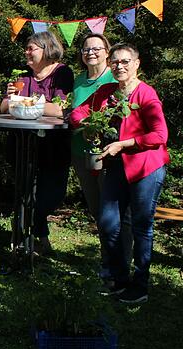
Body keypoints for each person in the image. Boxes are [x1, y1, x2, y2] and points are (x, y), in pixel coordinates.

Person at [70, 43, 169, 304]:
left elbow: (160, 135)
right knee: (108, 222)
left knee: (141, 227)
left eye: (126, 61)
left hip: (146, 167)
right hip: (117, 166)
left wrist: (124, 144)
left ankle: (140, 285)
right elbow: (79, 113)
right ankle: (119, 278)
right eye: (115, 62)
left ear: (137, 64)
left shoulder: (146, 95)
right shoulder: (107, 92)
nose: (120, 66)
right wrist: (89, 125)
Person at [0, 31, 74, 253]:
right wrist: (11, 97)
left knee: (52, 194)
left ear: (47, 49)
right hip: (24, 143)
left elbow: (61, 109)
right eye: (27, 48)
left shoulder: (62, 73)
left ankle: (36, 232)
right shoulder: (21, 75)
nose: (27, 52)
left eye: (31, 48)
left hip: (54, 145)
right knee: (24, 194)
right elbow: (4, 106)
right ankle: (25, 242)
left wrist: (22, 102)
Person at [70, 34, 131, 285]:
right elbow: (73, 112)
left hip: (110, 155)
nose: (90, 52)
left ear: (107, 52)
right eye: (86, 49)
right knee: (97, 210)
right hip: (81, 152)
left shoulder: (116, 77)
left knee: (114, 213)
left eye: (96, 48)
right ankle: (109, 261)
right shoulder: (79, 81)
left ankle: (119, 265)